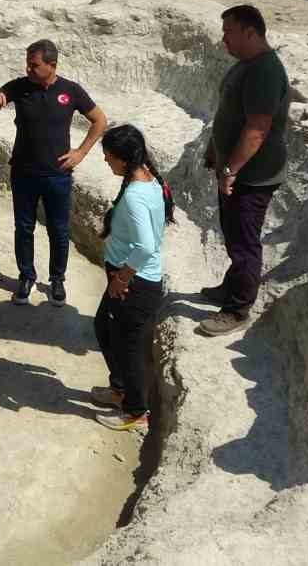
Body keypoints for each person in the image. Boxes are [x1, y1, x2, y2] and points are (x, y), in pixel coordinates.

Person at [0, 39, 107, 307]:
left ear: (52, 65)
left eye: (34, 65)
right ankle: (26, 276)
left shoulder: (70, 91)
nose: (28, 69)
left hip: (57, 175)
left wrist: (80, 152)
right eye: (27, 63)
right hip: (23, 173)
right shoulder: (19, 87)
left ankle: (57, 279)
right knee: (24, 228)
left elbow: (99, 120)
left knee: (58, 230)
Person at [199, 4, 290, 337]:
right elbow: (228, 112)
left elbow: (257, 129)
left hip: (253, 175)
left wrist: (232, 169)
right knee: (233, 231)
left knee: (244, 241)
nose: (224, 39)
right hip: (235, 169)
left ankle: (238, 309)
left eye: (229, 32)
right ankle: (231, 287)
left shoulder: (265, 71)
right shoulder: (245, 66)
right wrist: (215, 150)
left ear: (250, 32)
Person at [90, 124, 174, 431]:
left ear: (123, 159)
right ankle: (120, 390)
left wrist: (122, 278)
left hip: (134, 285)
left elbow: (146, 246)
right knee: (104, 328)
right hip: (133, 281)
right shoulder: (149, 178)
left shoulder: (137, 194)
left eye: (108, 156)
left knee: (130, 349)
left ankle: (136, 412)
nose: (106, 162)